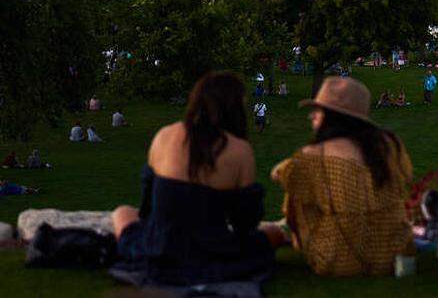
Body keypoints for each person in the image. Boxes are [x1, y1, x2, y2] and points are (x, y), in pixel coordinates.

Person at [111, 71, 274, 286]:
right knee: (272, 234)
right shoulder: (240, 150)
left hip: (160, 248)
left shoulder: (165, 135)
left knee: (122, 213)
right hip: (212, 251)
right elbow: (246, 222)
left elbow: (146, 209)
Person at [269, 76, 413, 276]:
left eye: (318, 111)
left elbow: (277, 174)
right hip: (391, 254)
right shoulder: (388, 144)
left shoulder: (313, 155)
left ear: (333, 117)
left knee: (296, 196)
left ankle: (293, 235)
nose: (311, 116)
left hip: (339, 259)